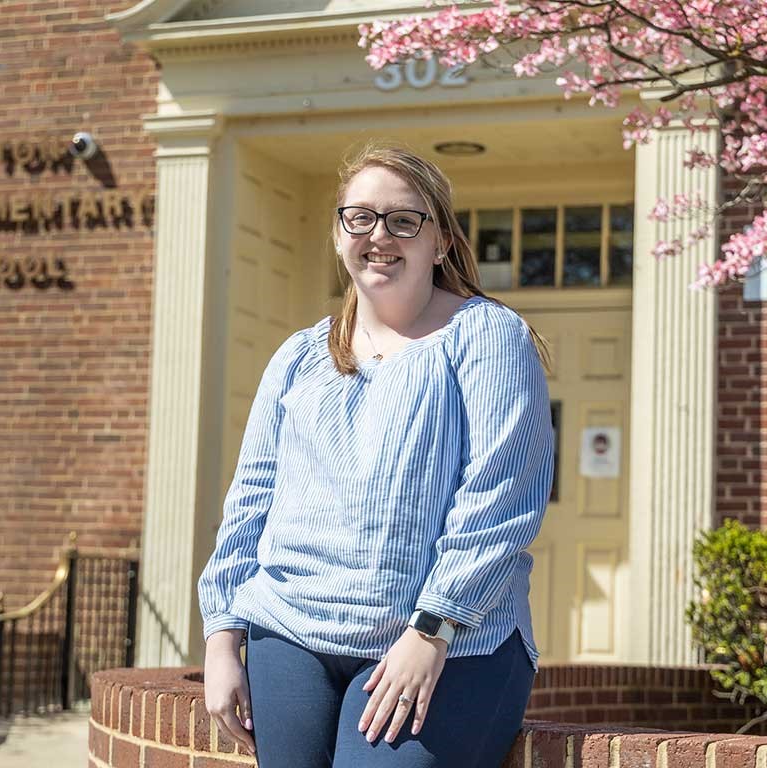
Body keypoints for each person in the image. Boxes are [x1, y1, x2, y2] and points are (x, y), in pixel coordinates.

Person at [197, 142, 555, 768]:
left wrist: (432, 631)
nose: (378, 235)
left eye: (403, 219)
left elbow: (501, 497)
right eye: (359, 217)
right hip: (291, 634)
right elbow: (251, 500)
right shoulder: (299, 357)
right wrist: (222, 635)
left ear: (439, 238)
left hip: (450, 644)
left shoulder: (488, 337)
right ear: (339, 235)